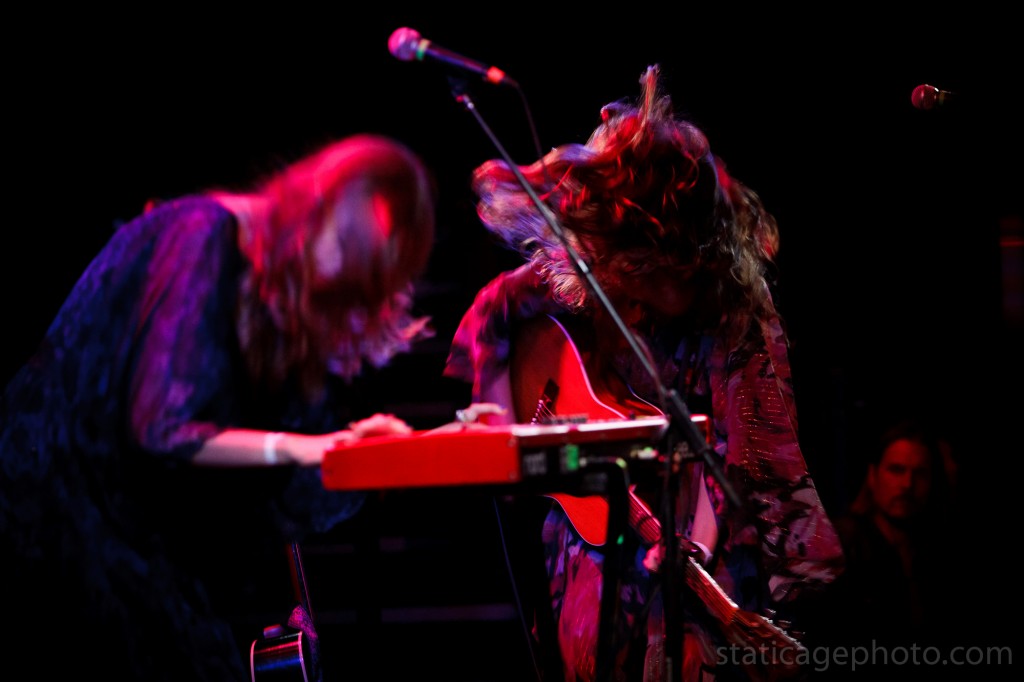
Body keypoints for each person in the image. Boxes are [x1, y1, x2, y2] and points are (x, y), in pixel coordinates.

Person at [444, 65, 845, 681]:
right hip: (595, 556)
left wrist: (712, 556)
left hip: (705, 563)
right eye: (611, 274)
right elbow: (491, 316)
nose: (625, 301)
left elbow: (758, 470)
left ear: (680, 257)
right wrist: (506, 429)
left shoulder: (737, 317)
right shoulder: (586, 277)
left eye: (639, 280)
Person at [0, 133, 442, 681]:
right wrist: (313, 447)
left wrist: (362, 459)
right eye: (351, 252)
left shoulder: (278, 302)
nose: (346, 279)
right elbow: (162, 427)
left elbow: (278, 505)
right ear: (319, 208)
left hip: (134, 541)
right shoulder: (202, 234)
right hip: (57, 516)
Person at [824, 416, 962, 655]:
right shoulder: (842, 542)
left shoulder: (935, 551)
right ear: (873, 475)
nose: (907, 484)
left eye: (919, 473)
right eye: (896, 470)